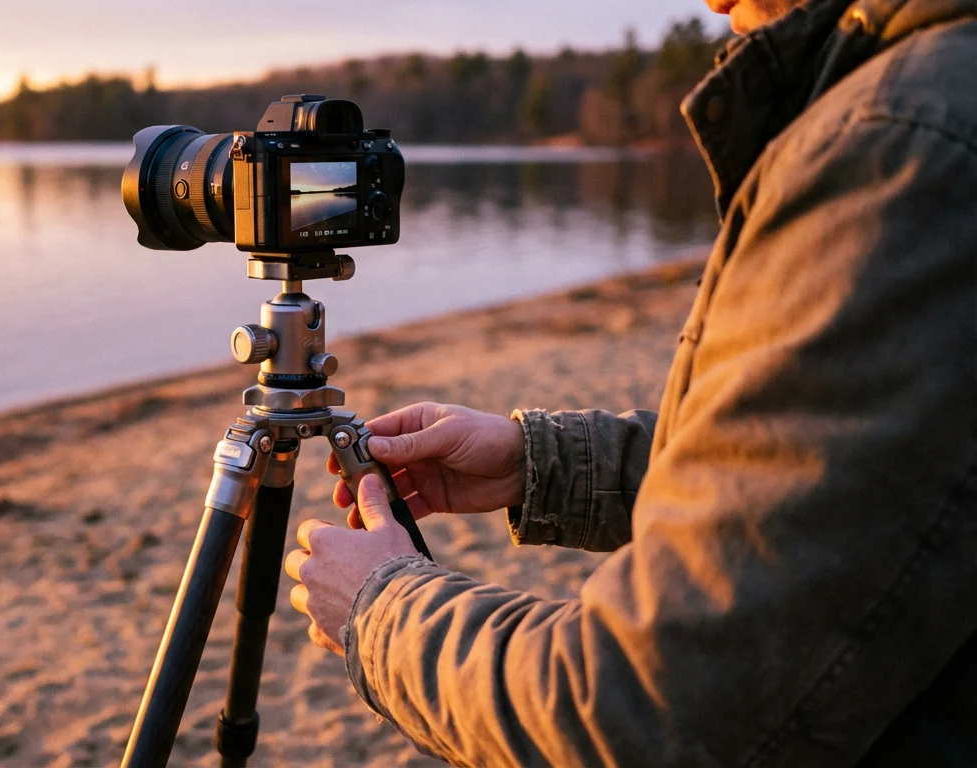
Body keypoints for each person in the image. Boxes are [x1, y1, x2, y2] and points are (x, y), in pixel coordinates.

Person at [283, 0, 977, 764]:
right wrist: (537, 460)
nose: (713, 4)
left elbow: (655, 713)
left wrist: (379, 611)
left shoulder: (901, 146)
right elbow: (845, 476)